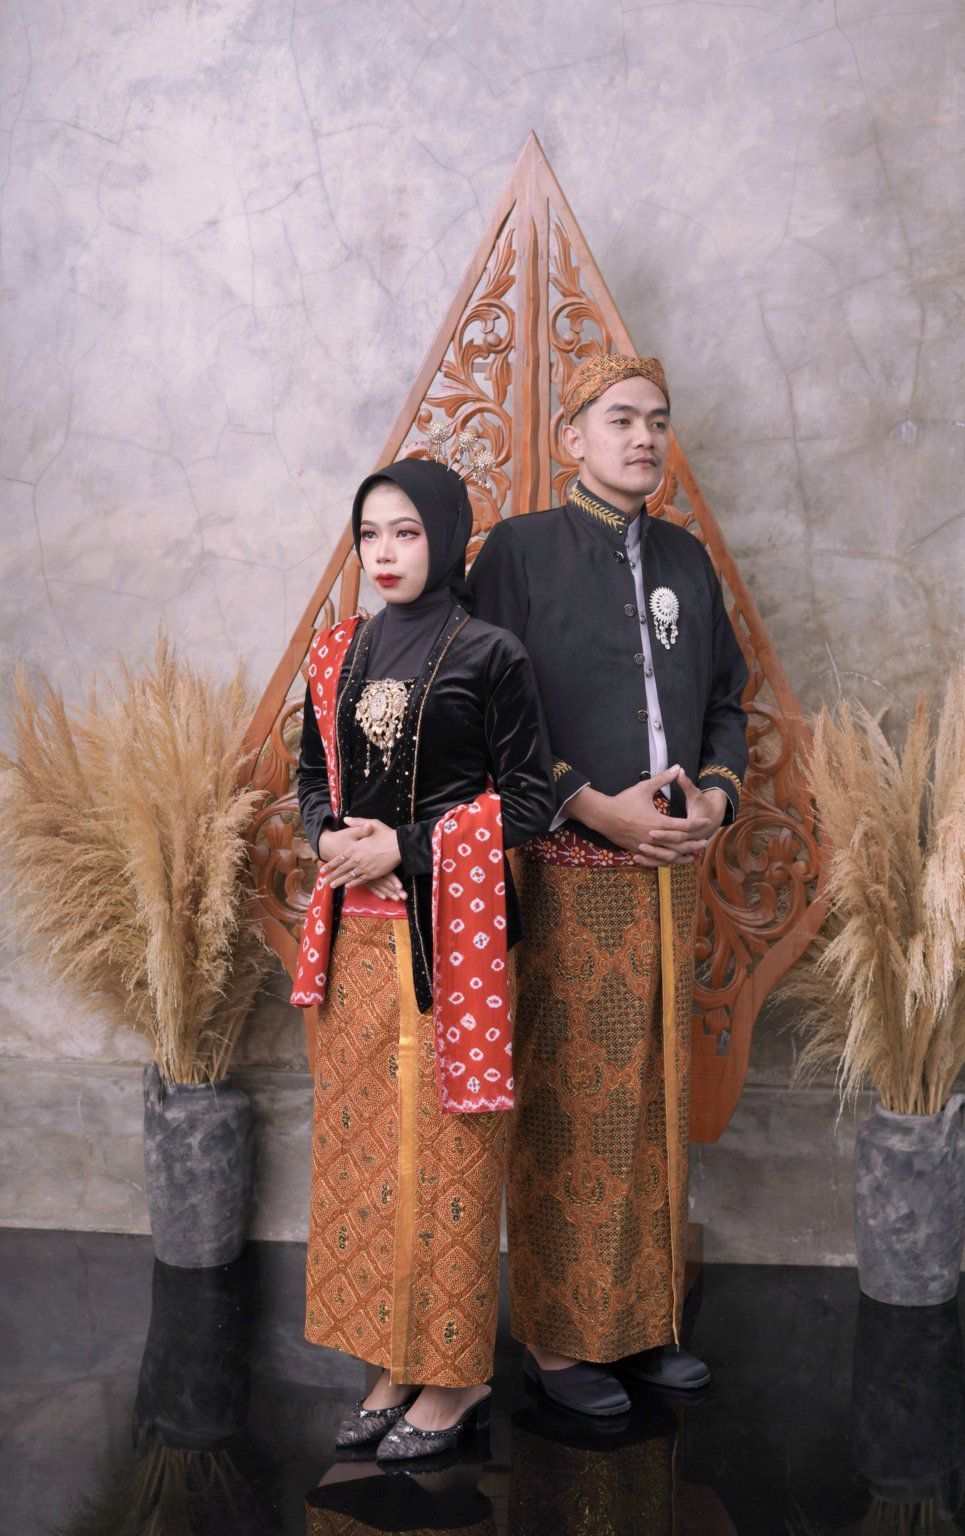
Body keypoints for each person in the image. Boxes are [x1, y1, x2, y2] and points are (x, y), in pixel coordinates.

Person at [468, 353, 749, 1416]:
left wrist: (715, 797)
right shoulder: (521, 552)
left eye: (657, 421)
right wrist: (589, 804)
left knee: (653, 1103)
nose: (643, 438)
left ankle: (641, 1326)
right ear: (571, 437)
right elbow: (484, 709)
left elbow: (725, 700)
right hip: (565, 870)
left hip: (672, 874)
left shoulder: (683, 557)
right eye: (621, 419)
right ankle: (559, 1338)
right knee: (571, 1103)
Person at [294, 457, 555, 1459]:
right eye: (370, 535)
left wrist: (404, 846)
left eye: (405, 533)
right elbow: (310, 778)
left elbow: (527, 801)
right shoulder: (337, 653)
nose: (385, 554)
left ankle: (451, 1380)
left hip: (453, 949)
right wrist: (329, 837)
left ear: (445, 538)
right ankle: (386, 1366)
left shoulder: (490, 654)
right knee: (364, 1159)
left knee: (450, 1155)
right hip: (355, 949)